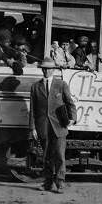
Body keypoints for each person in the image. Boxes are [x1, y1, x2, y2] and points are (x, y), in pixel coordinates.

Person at [29, 57, 77, 193]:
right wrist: (32, 128)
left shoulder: (61, 84)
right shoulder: (35, 87)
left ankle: (60, 182)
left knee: (60, 155)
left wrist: (73, 118)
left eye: (49, 69)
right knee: (46, 156)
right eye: (44, 68)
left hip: (59, 126)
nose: (46, 71)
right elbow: (32, 109)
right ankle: (48, 183)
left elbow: (70, 103)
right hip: (43, 126)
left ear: (53, 70)